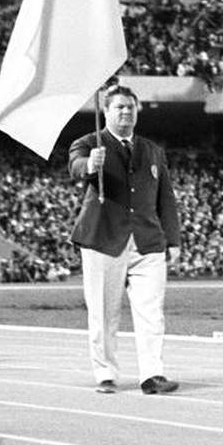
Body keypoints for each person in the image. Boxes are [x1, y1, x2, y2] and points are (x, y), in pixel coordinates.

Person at [68, 84, 182, 395]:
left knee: (151, 311)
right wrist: (91, 164)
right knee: (104, 311)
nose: (126, 112)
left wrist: (173, 239)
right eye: (119, 107)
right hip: (104, 238)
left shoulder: (152, 150)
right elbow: (75, 166)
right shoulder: (90, 143)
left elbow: (166, 199)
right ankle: (105, 372)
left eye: (131, 107)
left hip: (147, 241)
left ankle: (153, 374)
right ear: (106, 111)